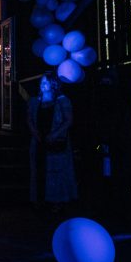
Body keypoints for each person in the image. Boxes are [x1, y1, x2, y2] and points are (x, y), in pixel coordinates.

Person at [27, 73, 77, 213]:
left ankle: (57, 200)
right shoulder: (35, 101)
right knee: (39, 169)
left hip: (56, 140)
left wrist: (55, 134)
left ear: (53, 84)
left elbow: (68, 120)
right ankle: (39, 199)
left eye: (46, 82)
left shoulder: (62, 101)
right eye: (42, 82)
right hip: (39, 141)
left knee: (56, 171)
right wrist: (35, 133)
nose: (43, 84)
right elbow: (29, 119)